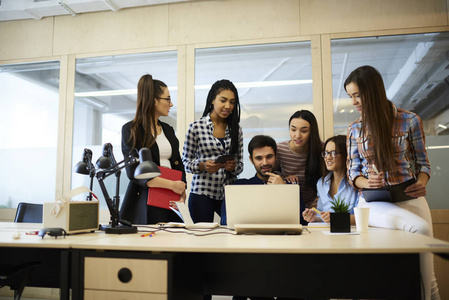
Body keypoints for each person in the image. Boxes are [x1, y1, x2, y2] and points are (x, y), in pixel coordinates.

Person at [345, 65, 440, 300]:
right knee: (420, 232)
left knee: (428, 274)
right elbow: (352, 172)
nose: (354, 102)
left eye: (358, 95)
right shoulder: (355, 129)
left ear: (374, 91)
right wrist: (367, 182)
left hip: (409, 196)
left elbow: (423, 163)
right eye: (350, 96)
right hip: (373, 202)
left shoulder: (410, 120)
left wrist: (421, 180)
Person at [221, 135, 303, 300]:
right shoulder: (240, 186)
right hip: (250, 257)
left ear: (276, 157)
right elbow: (225, 221)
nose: (265, 162)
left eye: (269, 156)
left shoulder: (289, 186)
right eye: (259, 158)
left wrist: (282, 190)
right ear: (251, 160)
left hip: (284, 257)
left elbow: (301, 221)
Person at [120, 74, 186, 225]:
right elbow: (135, 172)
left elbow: (178, 164)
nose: (171, 104)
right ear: (154, 100)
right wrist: (171, 185)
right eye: (167, 99)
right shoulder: (132, 130)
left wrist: (182, 191)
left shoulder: (168, 130)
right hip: (148, 201)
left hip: (172, 201)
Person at [182, 79, 243, 223]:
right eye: (223, 100)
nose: (228, 106)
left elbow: (240, 165)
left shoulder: (236, 129)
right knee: (203, 239)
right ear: (212, 100)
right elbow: (186, 162)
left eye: (232, 102)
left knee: (232, 234)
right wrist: (203, 166)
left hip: (229, 193)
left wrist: (233, 167)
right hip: (202, 193)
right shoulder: (196, 127)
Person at [302, 135, 358, 224]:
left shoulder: (356, 183)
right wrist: (314, 218)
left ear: (346, 154)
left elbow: (363, 217)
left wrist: (336, 218)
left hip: (351, 233)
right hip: (328, 233)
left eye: (333, 153)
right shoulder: (321, 183)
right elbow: (321, 213)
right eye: (326, 153)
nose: (328, 157)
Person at [275, 110, 323, 208]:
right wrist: (283, 179)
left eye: (304, 131)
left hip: (317, 207)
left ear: (312, 132)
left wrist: (313, 210)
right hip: (287, 205)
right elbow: (273, 175)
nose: (297, 135)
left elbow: (328, 184)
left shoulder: (323, 148)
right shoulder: (279, 149)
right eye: (293, 130)